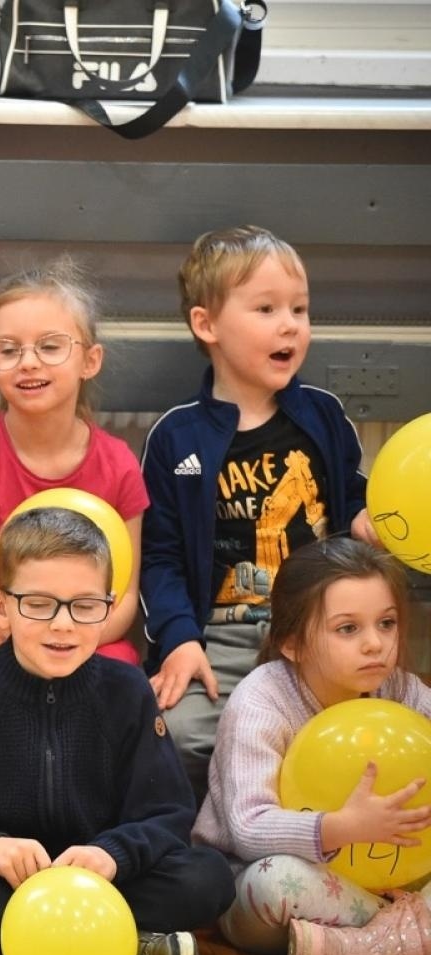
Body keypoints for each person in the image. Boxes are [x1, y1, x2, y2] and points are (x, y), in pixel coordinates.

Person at [0, 507, 234, 955]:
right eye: (40, 604)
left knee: (208, 878)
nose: (63, 625)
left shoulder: (127, 690)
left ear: (109, 607)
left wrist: (112, 855)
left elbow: (169, 817)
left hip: (102, 888)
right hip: (1, 883)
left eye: (85, 605)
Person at [142, 225, 372, 801]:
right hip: (219, 635)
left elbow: (351, 499)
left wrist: (370, 523)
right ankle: (208, 850)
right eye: (266, 308)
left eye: (299, 308)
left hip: (317, 629)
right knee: (182, 736)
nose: (290, 324)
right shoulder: (177, 437)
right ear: (207, 325)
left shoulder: (323, 416)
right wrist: (177, 639)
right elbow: (160, 557)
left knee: (348, 740)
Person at [194, 538, 431, 955]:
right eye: (348, 629)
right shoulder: (261, 703)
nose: (374, 644)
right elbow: (248, 828)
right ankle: (409, 937)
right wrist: (341, 827)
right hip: (262, 880)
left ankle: (351, 951)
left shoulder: (399, 690)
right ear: (291, 643)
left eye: (386, 623)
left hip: (389, 882)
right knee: (274, 883)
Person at [0, 257, 146, 682]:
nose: (28, 362)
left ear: (90, 360)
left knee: (121, 677)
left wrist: (72, 638)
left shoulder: (118, 466)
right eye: (9, 350)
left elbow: (124, 598)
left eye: (50, 346)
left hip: (84, 632)